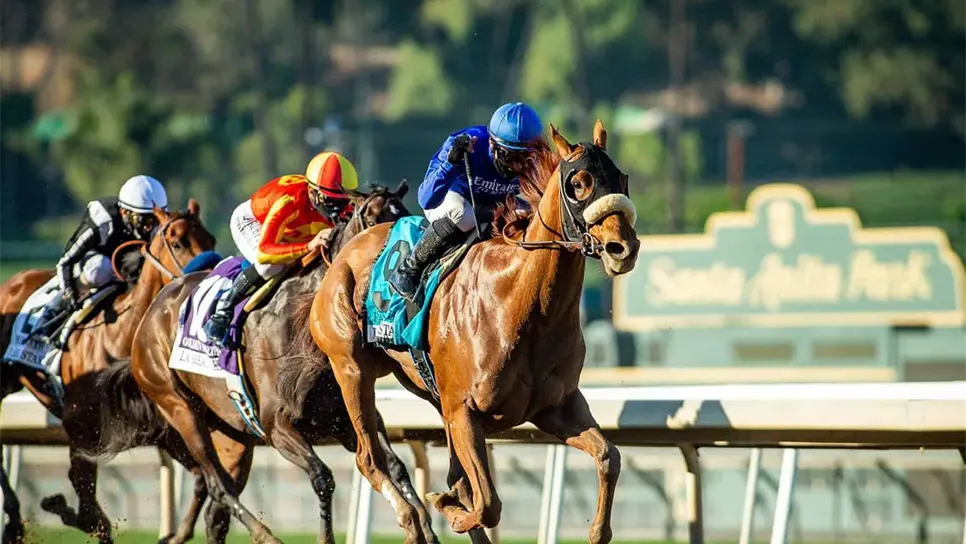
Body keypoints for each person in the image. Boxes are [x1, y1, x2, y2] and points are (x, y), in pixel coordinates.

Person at [388, 102, 544, 302]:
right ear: (492, 144)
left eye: (526, 157)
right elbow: (426, 199)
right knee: (463, 214)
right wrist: (451, 163)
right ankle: (409, 268)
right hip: (451, 199)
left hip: (496, 205)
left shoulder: (535, 161)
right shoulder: (466, 144)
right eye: (511, 156)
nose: (518, 166)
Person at [203, 151, 359, 347]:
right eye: (330, 201)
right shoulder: (290, 201)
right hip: (253, 222)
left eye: (342, 201)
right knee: (273, 265)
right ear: (313, 192)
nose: (338, 209)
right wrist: (309, 245)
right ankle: (223, 310)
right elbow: (265, 252)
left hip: (293, 231)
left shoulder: (342, 206)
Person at [32, 175, 169, 346]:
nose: (151, 226)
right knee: (101, 268)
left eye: (156, 218)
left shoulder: (157, 226)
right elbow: (65, 261)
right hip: (95, 264)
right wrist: (69, 293)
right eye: (144, 219)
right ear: (124, 212)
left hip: (127, 265)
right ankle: (54, 310)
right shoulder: (103, 220)